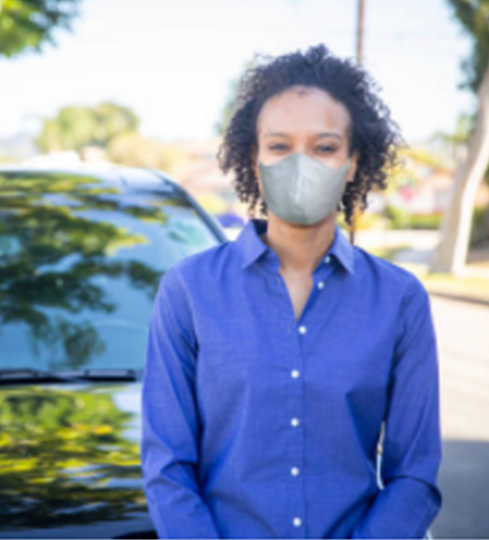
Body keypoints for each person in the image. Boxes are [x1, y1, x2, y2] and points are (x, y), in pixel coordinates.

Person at [141, 43, 443, 539]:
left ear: (353, 162)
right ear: (254, 158)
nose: (300, 164)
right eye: (279, 146)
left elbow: (414, 476)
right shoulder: (189, 291)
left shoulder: (400, 300)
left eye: (324, 148)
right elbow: (167, 468)